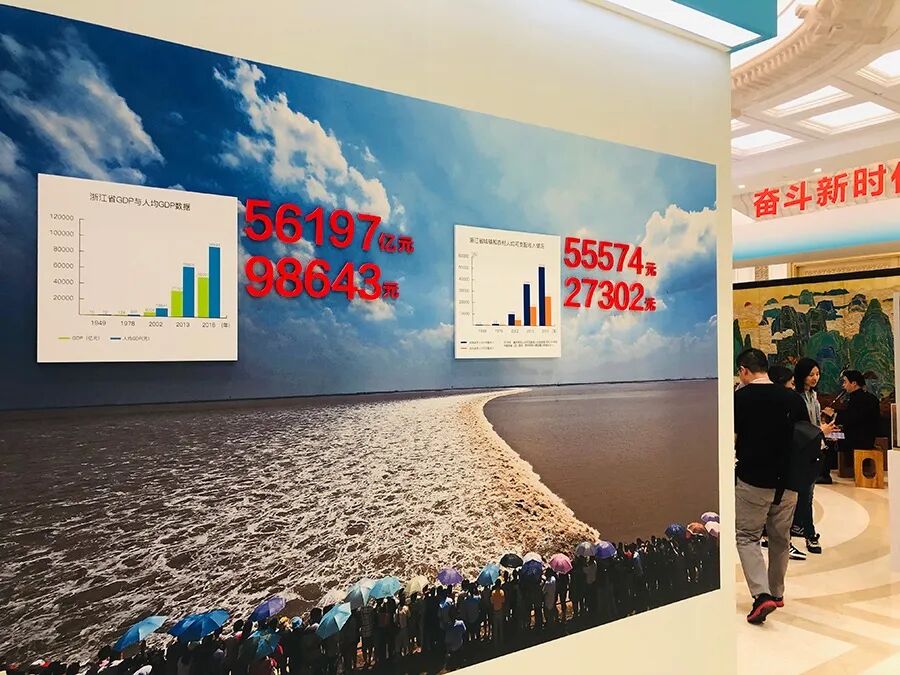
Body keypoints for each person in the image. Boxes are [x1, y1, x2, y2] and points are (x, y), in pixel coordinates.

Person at [734, 348, 806, 624]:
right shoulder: (792, 398)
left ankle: (761, 595)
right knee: (780, 538)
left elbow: (732, 436)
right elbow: (805, 435)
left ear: (744, 370)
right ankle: (776, 592)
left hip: (754, 479)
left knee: (747, 536)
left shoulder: (740, 399)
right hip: (789, 481)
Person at [791, 358, 835, 554]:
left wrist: (821, 431)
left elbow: (813, 421)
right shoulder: (795, 397)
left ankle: (800, 527)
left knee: (807, 493)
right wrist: (819, 431)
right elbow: (800, 427)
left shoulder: (813, 396)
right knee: (805, 494)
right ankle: (809, 533)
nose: (815, 378)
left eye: (817, 374)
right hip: (802, 449)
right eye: (811, 374)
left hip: (815, 446)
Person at [824, 370, 880, 459]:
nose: (843, 385)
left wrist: (833, 414)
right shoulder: (863, 397)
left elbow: (851, 418)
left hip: (860, 440)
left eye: (845, 382)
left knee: (828, 443)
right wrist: (835, 412)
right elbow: (852, 414)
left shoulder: (861, 399)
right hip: (862, 437)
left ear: (854, 383)